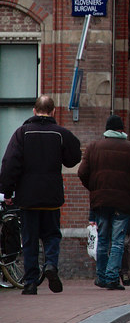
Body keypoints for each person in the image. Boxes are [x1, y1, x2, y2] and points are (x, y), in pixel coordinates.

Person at [0, 95, 81, 295]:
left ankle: (30, 282)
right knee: (52, 235)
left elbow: (10, 163)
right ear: (53, 111)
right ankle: (51, 264)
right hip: (51, 195)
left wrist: (7, 191)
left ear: (34, 111)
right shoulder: (60, 134)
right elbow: (74, 157)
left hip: (28, 197)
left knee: (30, 239)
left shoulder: (22, 133)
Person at [78, 114, 130, 289]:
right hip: (123, 202)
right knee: (117, 241)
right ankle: (112, 277)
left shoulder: (93, 147)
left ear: (106, 130)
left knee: (103, 239)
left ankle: (101, 276)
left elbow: (82, 172)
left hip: (100, 201)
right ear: (122, 129)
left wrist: (94, 188)